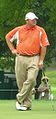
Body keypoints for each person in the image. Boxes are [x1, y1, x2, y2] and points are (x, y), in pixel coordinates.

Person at [5, 12, 50, 111]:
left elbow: (44, 46)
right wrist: (13, 50)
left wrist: (41, 60)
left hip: (34, 58)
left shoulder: (40, 30)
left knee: (31, 80)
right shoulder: (19, 30)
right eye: (32, 19)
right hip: (20, 57)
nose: (35, 21)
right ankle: (26, 105)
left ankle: (19, 98)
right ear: (27, 20)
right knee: (21, 83)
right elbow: (8, 37)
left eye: (35, 19)